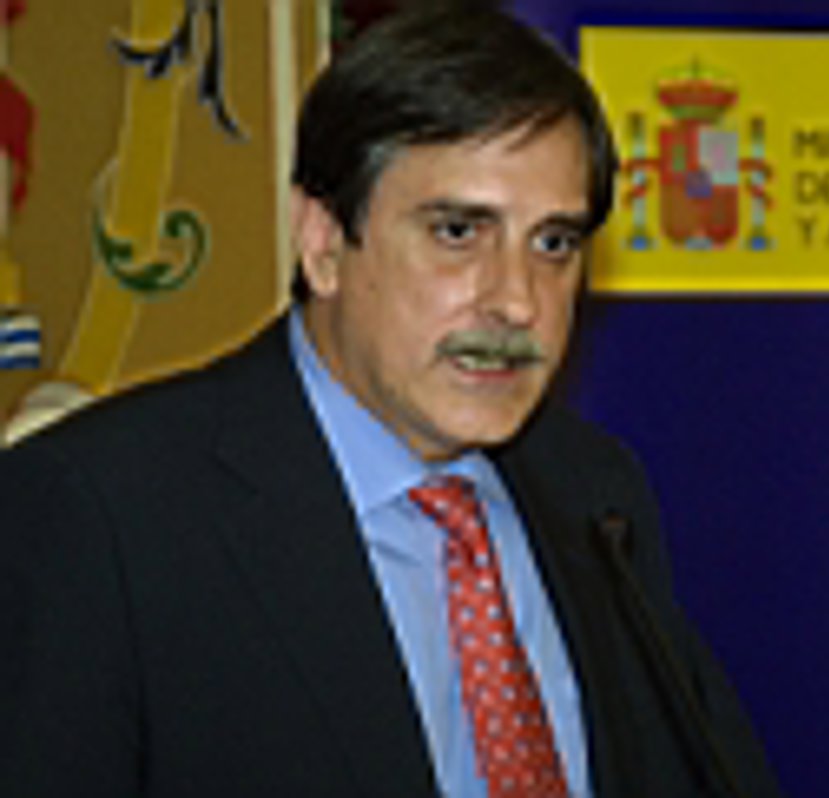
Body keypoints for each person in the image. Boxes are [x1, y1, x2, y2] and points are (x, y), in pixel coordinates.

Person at [0, 3, 783, 796]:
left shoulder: (593, 492)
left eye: (553, 243)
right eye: (458, 232)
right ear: (322, 240)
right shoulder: (98, 516)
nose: (517, 301)